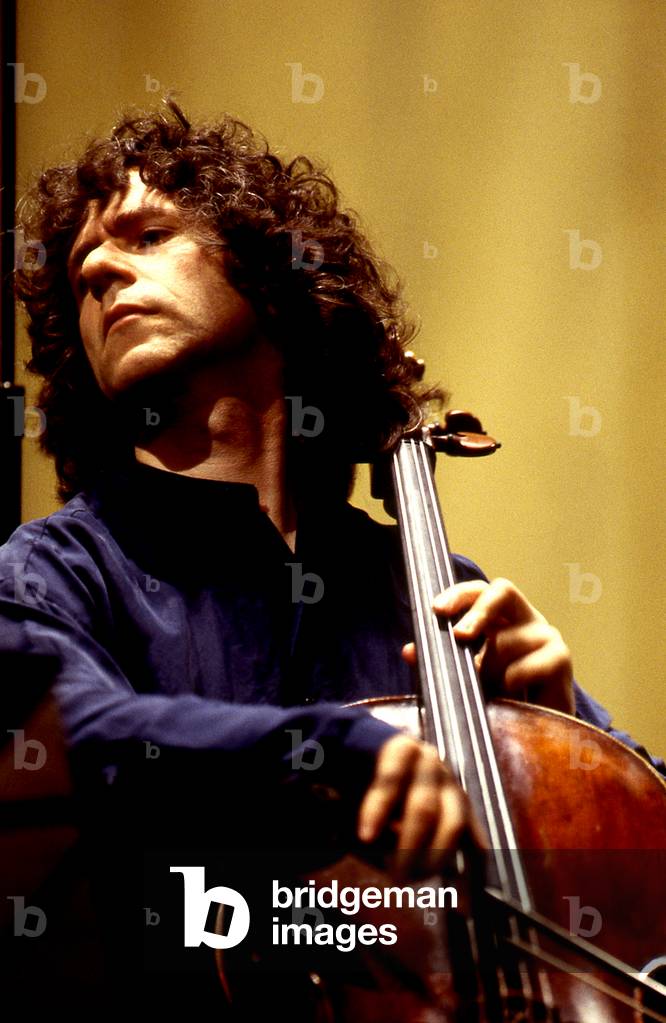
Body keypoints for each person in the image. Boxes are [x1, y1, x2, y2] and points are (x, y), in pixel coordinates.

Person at [3, 100, 663, 1012]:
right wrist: (316, 755)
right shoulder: (54, 574)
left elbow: (641, 902)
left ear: (271, 272)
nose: (103, 266)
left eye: (147, 233)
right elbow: (61, 744)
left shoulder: (434, 596)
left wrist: (566, 733)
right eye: (82, 272)